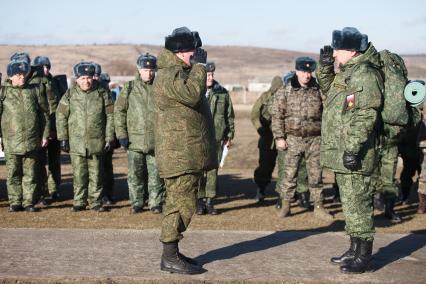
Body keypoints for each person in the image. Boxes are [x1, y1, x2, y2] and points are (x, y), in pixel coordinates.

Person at [316, 27, 383, 273]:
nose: (334, 53)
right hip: (343, 150)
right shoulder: (349, 72)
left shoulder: (364, 74)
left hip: (357, 152)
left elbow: (365, 114)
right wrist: (324, 68)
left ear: (352, 51)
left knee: (359, 203)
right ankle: (354, 249)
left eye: (338, 49)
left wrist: (353, 148)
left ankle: (363, 258)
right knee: (350, 203)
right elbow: (330, 93)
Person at [153, 27, 216, 274]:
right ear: (180, 53)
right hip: (179, 156)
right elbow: (191, 95)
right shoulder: (170, 75)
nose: (197, 53)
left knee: (183, 203)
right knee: (180, 205)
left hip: (186, 154)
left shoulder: (179, 72)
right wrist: (201, 68)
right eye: (193, 50)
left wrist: (196, 69)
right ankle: (169, 256)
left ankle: (173, 253)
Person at [272, 57, 332, 221]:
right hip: (293, 139)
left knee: (316, 175)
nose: (307, 75)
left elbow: (328, 113)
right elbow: (277, 116)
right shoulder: (285, 91)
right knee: (289, 174)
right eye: (304, 71)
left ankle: (319, 206)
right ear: (297, 71)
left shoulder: (318, 90)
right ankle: (286, 205)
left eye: (309, 72)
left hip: (315, 140)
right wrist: (279, 137)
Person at [56, 62, 114, 212]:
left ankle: (95, 202)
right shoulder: (69, 95)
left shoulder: (102, 93)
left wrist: (109, 138)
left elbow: (111, 116)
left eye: (88, 78)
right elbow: (61, 116)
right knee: (79, 175)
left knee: (96, 174)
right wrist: (63, 138)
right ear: (76, 79)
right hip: (76, 143)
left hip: (97, 141)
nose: (86, 81)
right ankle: (79, 201)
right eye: (82, 78)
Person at [115, 53, 165, 214]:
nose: (149, 73)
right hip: (134, 141)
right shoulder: (129, 88)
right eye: (145, 69)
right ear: (139, 70)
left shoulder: (160, 88)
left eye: (152, 70)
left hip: (155, 141)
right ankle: (137, 202)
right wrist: (121, 134)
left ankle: (155, 202)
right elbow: (119, 111)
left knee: (156, 175)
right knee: (135, 175)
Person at [0, 59, 50, 212]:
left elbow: (44, 115)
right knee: (14, 173)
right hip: (11, 141)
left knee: (30, 174)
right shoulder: (3, 92)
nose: (22, 77)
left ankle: (28, 202)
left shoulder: (35, 90)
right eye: (18, 75)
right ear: (10, 76)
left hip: (32, 140)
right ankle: (15, 202)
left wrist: (45, 135)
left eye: (24, 74)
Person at [196, 62, 235, 215]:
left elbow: (229, 115)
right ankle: (198, 202)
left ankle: (210, 202)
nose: (210, 77)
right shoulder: (195, 92)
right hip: (198, 138)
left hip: (216, 137)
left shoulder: (222, 93)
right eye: (207, 75)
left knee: (213, 170)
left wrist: (229, 135)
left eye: (212, 74)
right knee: (199, 170)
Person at [32, 56, 62, 202]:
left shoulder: (55, 82)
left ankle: (54, 189)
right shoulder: (33, 84)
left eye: (47, 66)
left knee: (55, 162)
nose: (45, 69)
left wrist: (57, 129)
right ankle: (42, 191)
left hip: (55, 128)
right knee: (39, 162)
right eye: (42, 66)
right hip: (41, 129)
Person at [92, 64, 116, 205]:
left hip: (107, 136)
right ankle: (97, 195)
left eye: (97, 75)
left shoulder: (106, 93)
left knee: (106, 167)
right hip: (94, 137)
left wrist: (112, 136)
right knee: (96, 169)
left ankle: (108, 193)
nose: (95, 77)